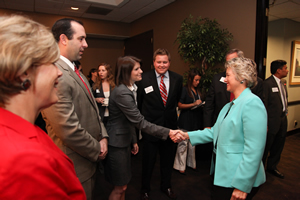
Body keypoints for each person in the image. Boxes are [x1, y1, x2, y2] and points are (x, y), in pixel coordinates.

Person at [0, 15, 85, 199]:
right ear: (23, 73)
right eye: (51, 62)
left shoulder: (21, 129)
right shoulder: (22, 162)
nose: (59, 72)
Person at [176, 57, 267, 200]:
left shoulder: (252, 103)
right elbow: (214, 132)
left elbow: (254, 149)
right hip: (225, 173)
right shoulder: (229, 105)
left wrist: (242, 184)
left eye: (228, 75)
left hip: (238, 177)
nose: (225, 79)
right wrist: (186, 135)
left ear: (242, 78)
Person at [42, 18, 108, 200]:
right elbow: (67, 129)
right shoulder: (56, 73)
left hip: (88, 161)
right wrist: (97, 149)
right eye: (81, 39)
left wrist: (103, 136)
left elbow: (94, 110)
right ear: (63, 39)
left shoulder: (74, 69)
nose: (85, 44)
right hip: (74, 165)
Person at [105, 56, 179, 200]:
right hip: (117, 143)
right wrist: (168, 132)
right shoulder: (122, 93)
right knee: (119, 187)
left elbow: (129, 120)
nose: (141, 71)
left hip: (124, 140)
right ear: (127, 72)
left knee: (123, 186)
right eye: (137, 69)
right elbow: (139, 121)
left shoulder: (129, 89)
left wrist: (133, 140)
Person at [137, 48, 183, 200]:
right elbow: (139, 103)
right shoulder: (143, 78)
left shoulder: (177, 78)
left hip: (170, 127)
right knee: (148, 162)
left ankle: (166, 186)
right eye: (159, 62)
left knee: (167, 161)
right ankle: (145, 189)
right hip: (151, 128)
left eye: (165, 62)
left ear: (169, 63)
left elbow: (175, 102)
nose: (162, 65)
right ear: (153, 63)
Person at [203, 49, 263, 128]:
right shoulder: (217, 80)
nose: (225, 79)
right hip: (220, 127)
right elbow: (209, 105)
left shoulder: (253, 100)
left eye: (233, 61)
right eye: (227, 62)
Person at [173, 69, 204, 174]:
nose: (198, 82)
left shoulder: (197, 91)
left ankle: (191, 163)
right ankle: (179, 165)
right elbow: (180, 105)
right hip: (185, 119)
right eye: (196, 80)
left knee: (192, 143)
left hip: (195, 120)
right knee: (183, 143)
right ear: (190, 79)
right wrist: (193, 104)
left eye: (199, 80)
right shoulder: (185, 90)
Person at [262, 60, 289, 179]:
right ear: (278, 70)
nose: (287, 70)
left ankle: (272, 166)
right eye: (285, 68)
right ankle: (260, 170)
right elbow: (264, 104)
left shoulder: (282, 83)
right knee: (266, 146)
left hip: (282, 119)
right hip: (271, 122)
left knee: (279, 144)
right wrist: (265, 123)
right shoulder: (267, 84)